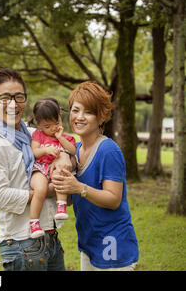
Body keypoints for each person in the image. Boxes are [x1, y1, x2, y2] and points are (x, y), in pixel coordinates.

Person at [0, 68, 74, 271]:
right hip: (21, 244)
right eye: (5, 98)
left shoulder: (33, 134)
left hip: (51, 238)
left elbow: (63, 150)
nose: (13, 104)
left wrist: (63, 157)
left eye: (19, 97)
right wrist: (44, 192)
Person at [51, 81, 139, 271]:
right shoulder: (77, 149)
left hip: (112, 244)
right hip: (89, 243)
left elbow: (114, 199)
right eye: (75, 110)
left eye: (88, 112)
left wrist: (78, 188)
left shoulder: (108, 150)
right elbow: (72, 199)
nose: (79, 117)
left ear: (101, 117)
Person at [28, 98, 77, 239]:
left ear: (60, 118)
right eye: (47, 126)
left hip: (55, 168)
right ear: (39, 124)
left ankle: (61, 205)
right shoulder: (38, 135)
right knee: (41, 189)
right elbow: (34, 152)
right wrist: (46, 150)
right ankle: (34, 223)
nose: (53, 129)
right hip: (40, 168)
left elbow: (73, 151)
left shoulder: (66, 137)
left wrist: (61, 138)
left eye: (56, 123)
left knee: (60, 173)